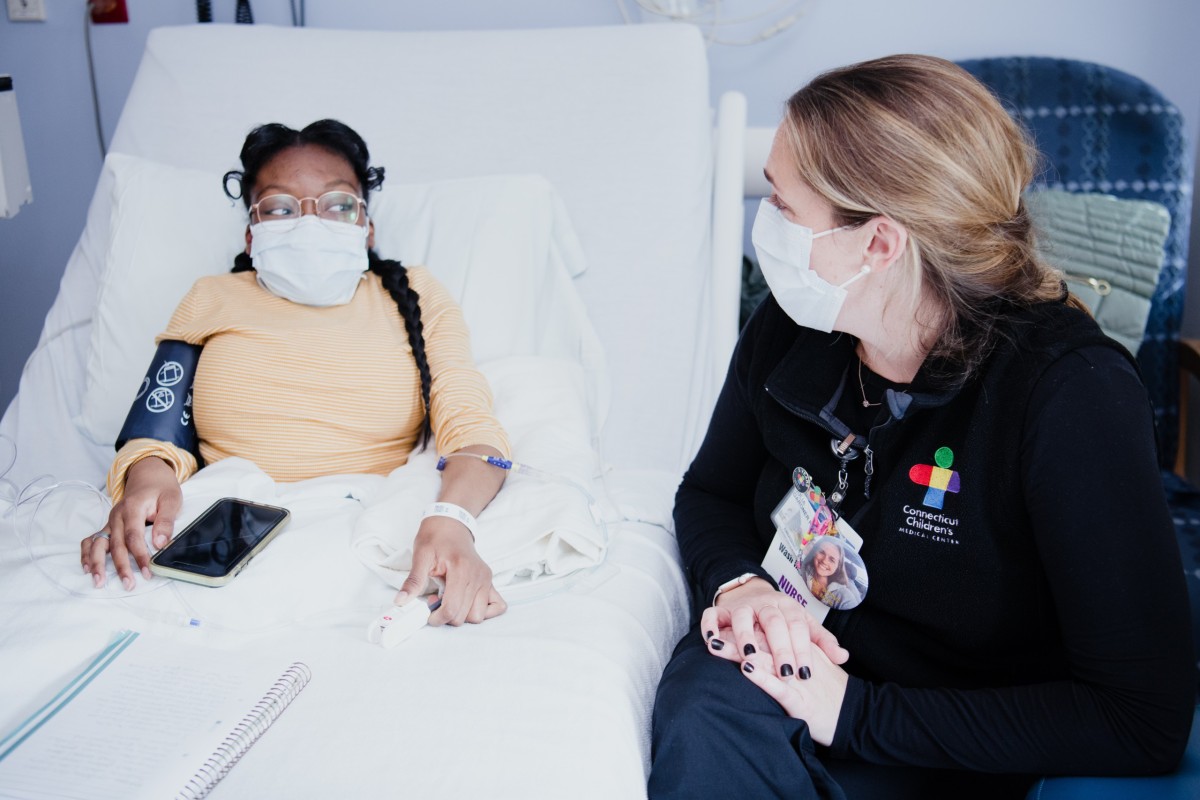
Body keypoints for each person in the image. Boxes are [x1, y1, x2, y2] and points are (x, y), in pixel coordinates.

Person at [648, 55, 1195, 799]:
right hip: (772, 684)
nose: (763, 227)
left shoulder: (1071, 397)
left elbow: (1143, 719)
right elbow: (709, 492)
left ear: (878, 243)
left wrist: (853, 713)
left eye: (781, 205)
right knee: (701, 717)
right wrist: (742, 588)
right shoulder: (793, 327)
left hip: (949, 732)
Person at [80, 119, 511, 627]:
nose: (309, 223)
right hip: (225, 530)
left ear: (366, 227)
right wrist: (147, 484)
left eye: (336, 205)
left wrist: (452, 520)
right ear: (251, 231)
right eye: (281, 208)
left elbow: (471, 429)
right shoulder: (211, 297)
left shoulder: (416, 295)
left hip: (367, 526)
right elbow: (156, 424)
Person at [800, 537, 861, 610]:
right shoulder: (804, 568)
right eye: (822, 552)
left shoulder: (846, 599)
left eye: (832, 560)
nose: (825, 561)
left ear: (838, 567)